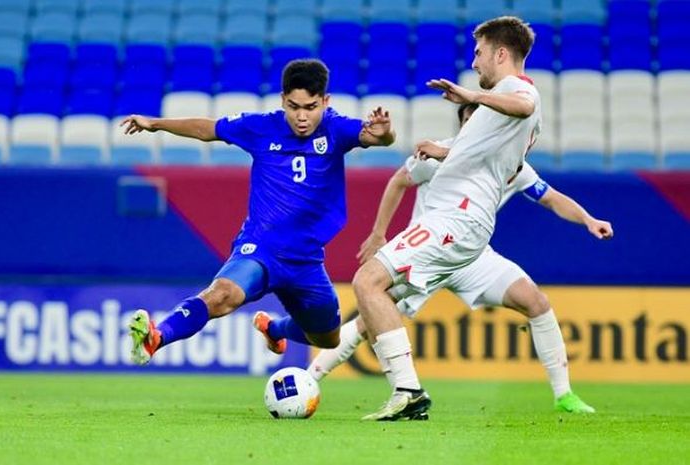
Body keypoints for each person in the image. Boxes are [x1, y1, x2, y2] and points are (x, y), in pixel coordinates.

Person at [308, 102, 613, 419]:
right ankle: (309, 379)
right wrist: (378, 233)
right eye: (468, 120)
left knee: (534, 300)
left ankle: (564, 394)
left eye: (480, 120)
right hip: (428, 252)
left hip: (471, 255)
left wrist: (589, 219)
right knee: (368, 317)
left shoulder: (512, 165)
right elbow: (399, 180)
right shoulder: (441, 154)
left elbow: (551, 197)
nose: (474, 127)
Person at [120, 59, 396, 365]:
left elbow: (374, 137)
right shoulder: (261, 127)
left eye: (310, 107)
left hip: (306, 261)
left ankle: (273, 328)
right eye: (293, 107)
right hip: (260, 248)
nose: (301, 117)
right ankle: (158, 336)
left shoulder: (336, 129)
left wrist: (385, 134)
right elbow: (207, 129)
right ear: (282, 101)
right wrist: (156, 123)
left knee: (328, 339)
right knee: (224, 294)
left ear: (325, 102)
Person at [352, 16, 545, 421]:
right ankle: (400, 388)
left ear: (501, 53)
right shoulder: (502, 116)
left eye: (478, 53)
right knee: (378, 294)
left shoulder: (518, 89)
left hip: (457, 219)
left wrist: (468, 94)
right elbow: (489, 147)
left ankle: (407, 391)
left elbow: (523, 103)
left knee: (367, 281)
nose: (474, 62)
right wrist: (447, 151)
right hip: (463, 222)